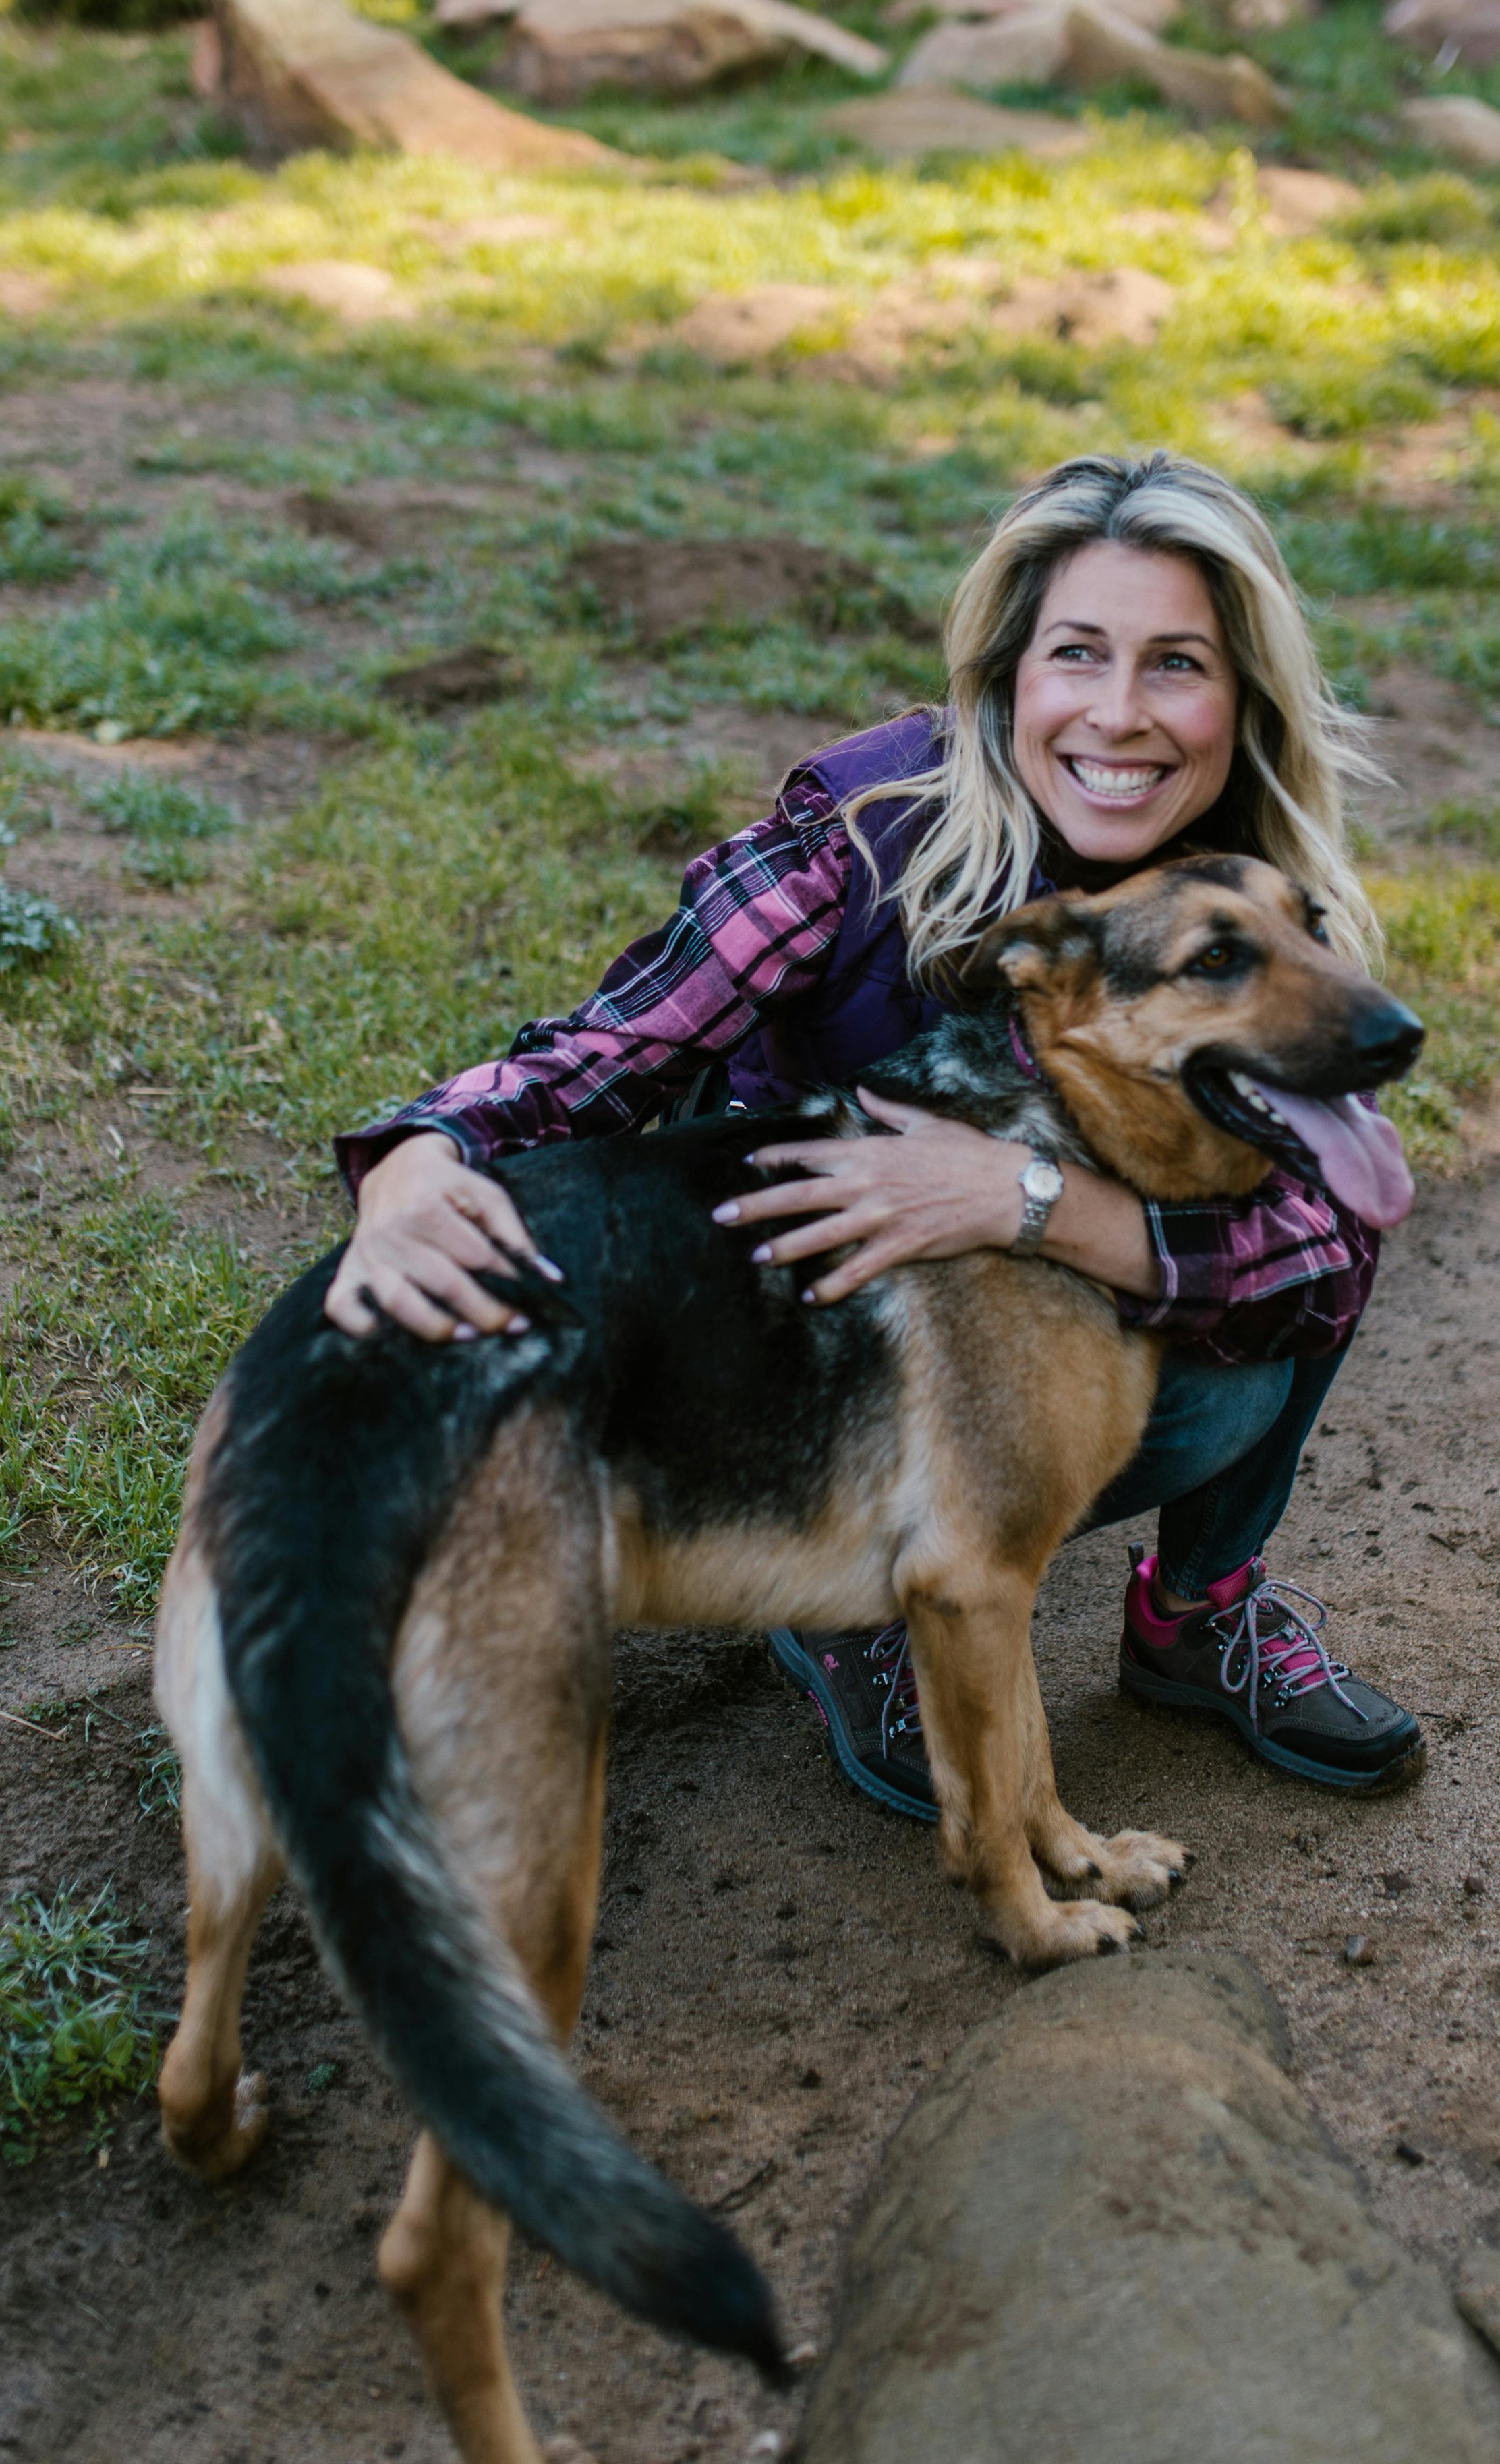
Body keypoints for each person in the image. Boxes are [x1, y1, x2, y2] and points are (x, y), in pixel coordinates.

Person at [328, 450, 1424, 1823]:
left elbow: (1325, 1250)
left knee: (1260, 1319)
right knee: (1155, 1360)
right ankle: (851, 1602)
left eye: (1176, 665)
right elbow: (607, 1049)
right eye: (1076, 654)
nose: (1119, 714)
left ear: (1237, 693)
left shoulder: (1257, 879)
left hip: (1035, 1285)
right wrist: (421, 1152)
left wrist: (1012, 1197)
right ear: (1005, 674)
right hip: (806, 1329)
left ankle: (1197, 1611)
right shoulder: (857, 834)